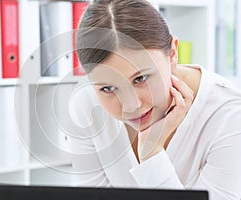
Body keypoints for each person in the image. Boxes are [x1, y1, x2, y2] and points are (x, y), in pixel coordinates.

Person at [67, 0, 241, 200]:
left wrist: (152, 155)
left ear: (173, 53)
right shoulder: (86, 106)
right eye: (108, 88)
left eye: (140, 79)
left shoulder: (230, 116)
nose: (131, 106)